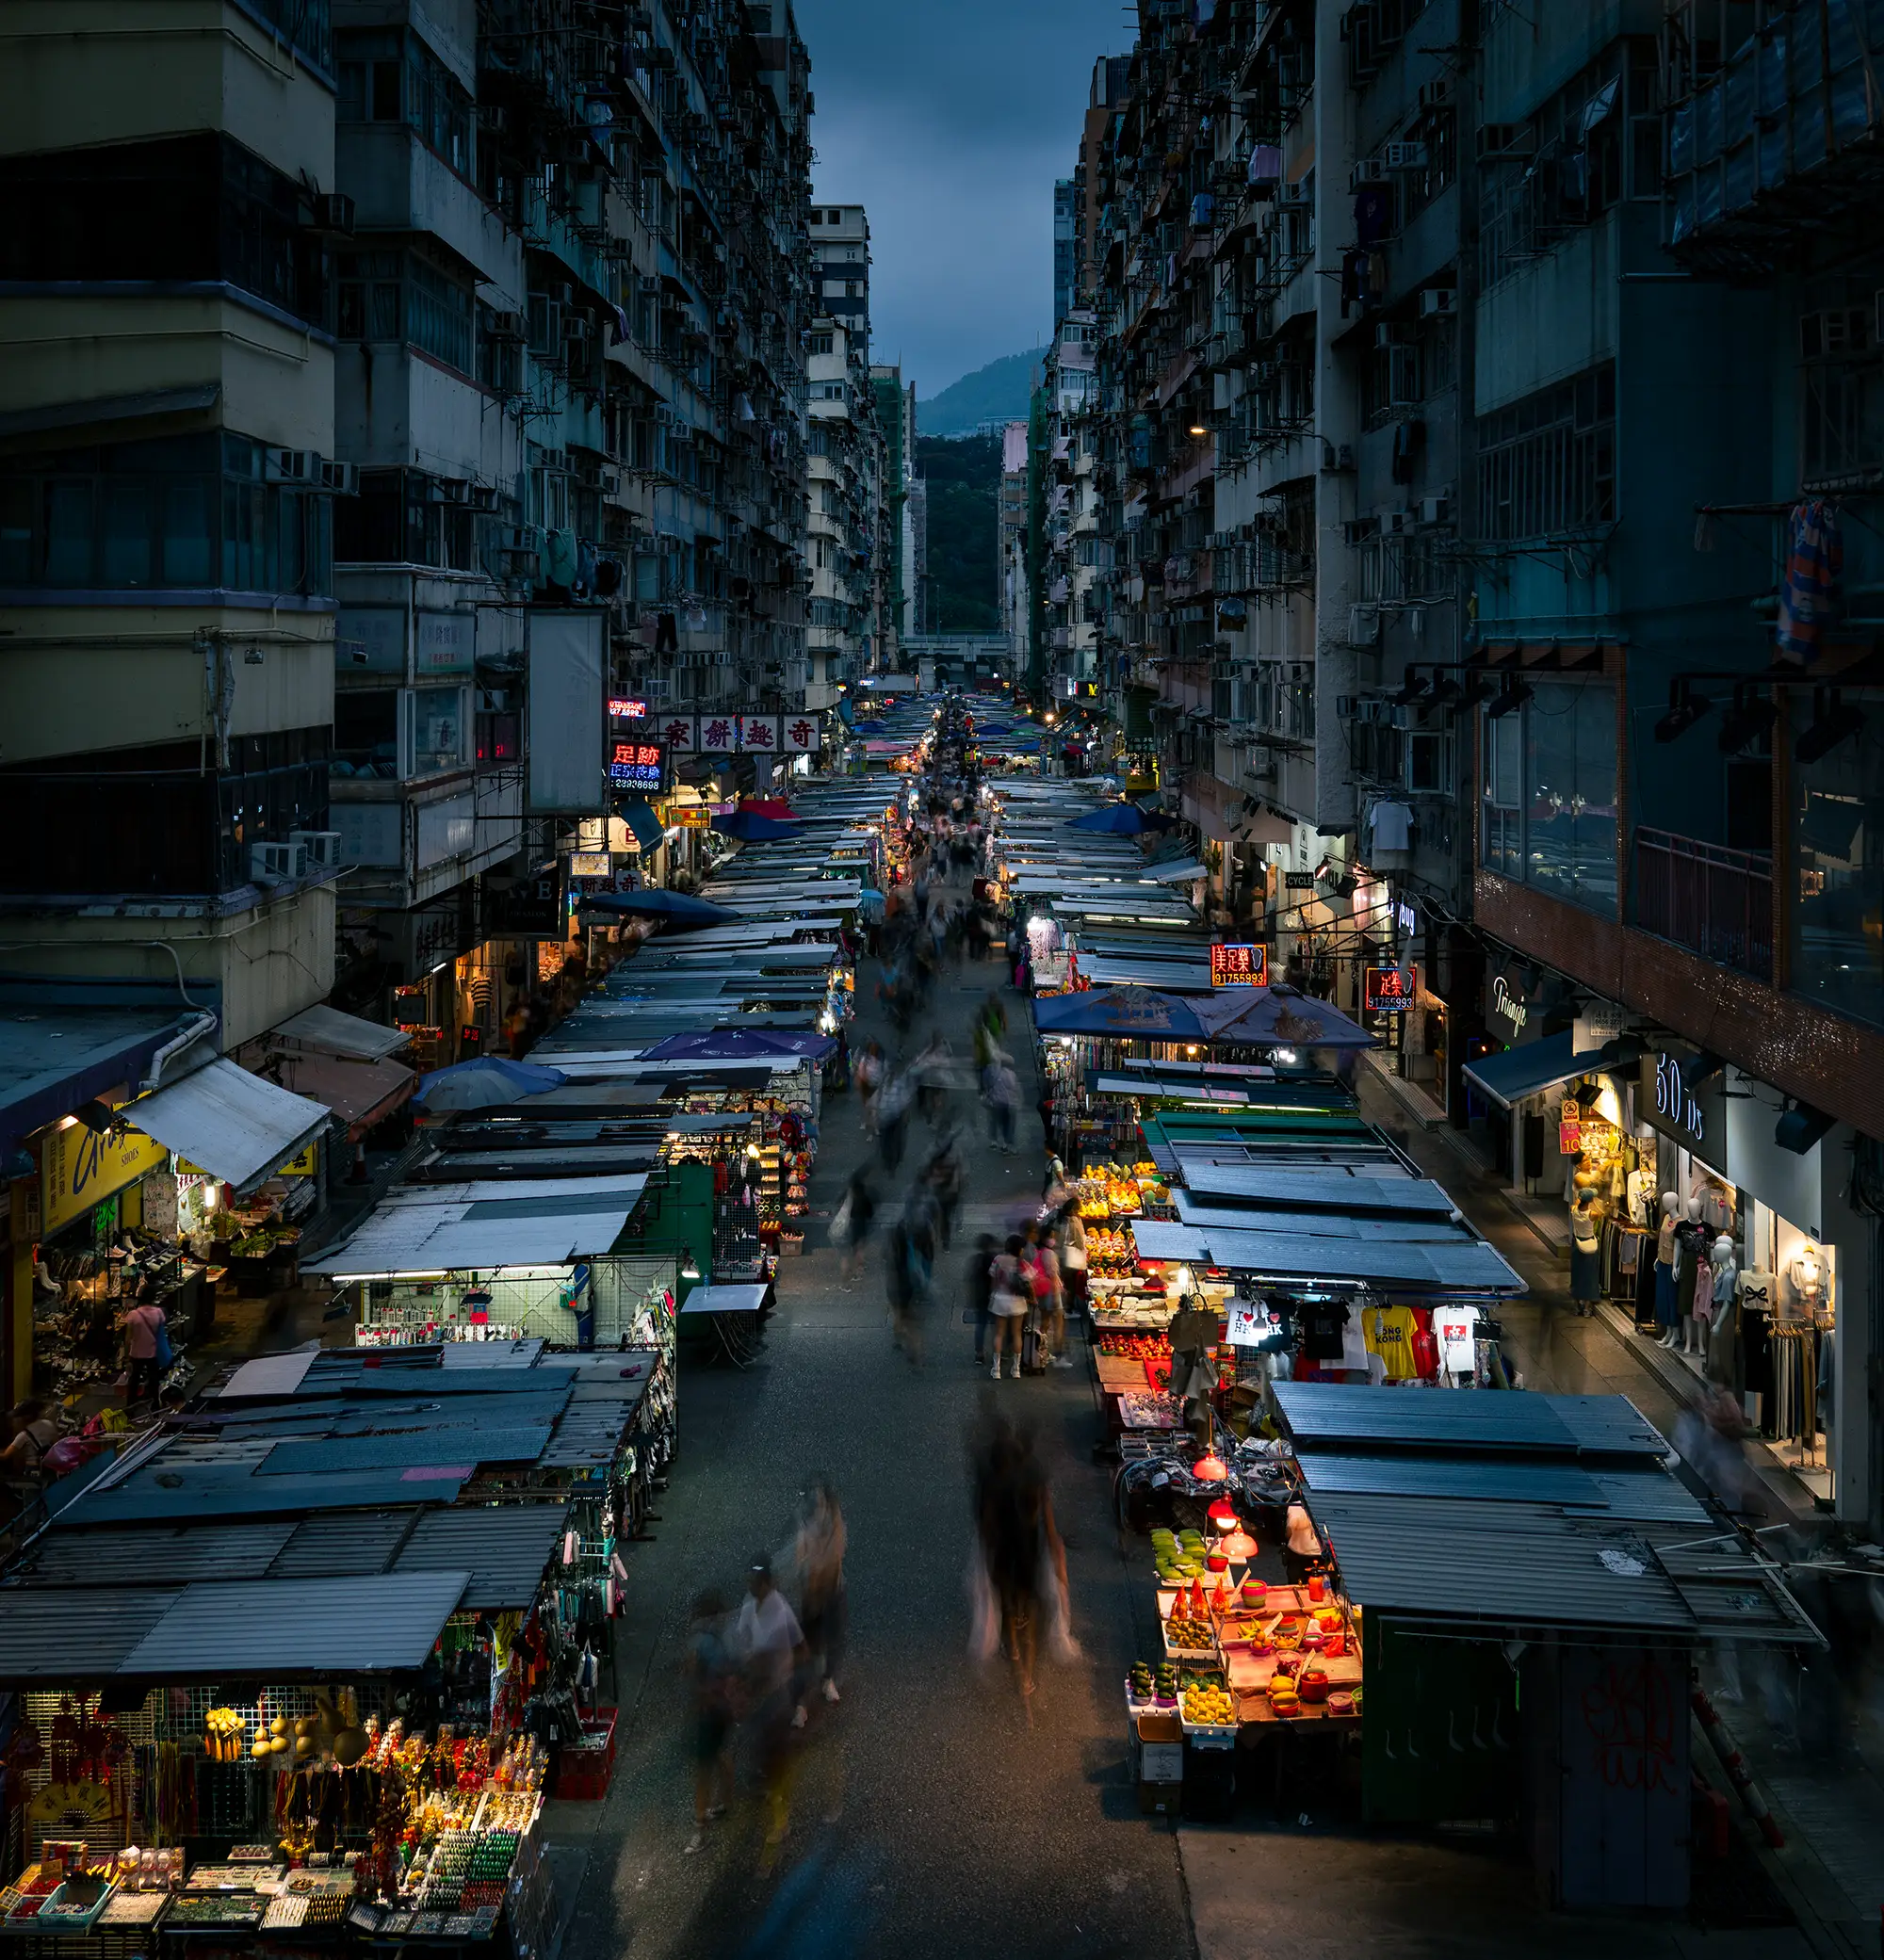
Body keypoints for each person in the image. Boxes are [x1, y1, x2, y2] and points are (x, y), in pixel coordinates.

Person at [736, 1556, 806, 1865]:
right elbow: (743, 1637)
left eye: (755, 1581)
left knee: (775, 1754)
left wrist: (786, 1674)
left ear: (766, 1584)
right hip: (758, 1691)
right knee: (761, 1745)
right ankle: (767, 1783)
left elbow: (800, 1648)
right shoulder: (750, 1604)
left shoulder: (781, 1614)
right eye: (749, 1580)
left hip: (776, 1693)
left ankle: (781, 1818)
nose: (750, 1586)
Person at [683, 1590, 737, 1855]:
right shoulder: (718, 1637)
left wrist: (700, 1701)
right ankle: (726, 1801)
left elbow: (696, 1675)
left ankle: (700, 1830)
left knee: (703, 1773)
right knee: (719, 1755)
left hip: (710, 1712)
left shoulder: (700, 1641)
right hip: (721, 1710)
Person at [794, 1485, 848, 1707]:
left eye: (823, 1503)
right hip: (813, 1596)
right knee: (809, 1645)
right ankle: (801, 1700)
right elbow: (802, 1565)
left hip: (833, 1592)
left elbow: (836, 1559)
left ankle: (827, 1680)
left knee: (835, 1639)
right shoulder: (805, 1531)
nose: (821, 1509)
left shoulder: (836, 1526)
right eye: (817, 1504)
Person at [986, 1236, 1032, 1381]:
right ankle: (1016, 1369)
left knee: (999, 1334)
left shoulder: (998, 1260)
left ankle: (996, 1369)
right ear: (1019, 1249)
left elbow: (993, 1279)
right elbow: (1030, 1281)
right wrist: (1033, 1297)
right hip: (1017, 1301)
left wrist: (992, 1294)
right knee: (1016, 1334)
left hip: (1000, 1299)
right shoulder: (1022, 1264)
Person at [120, 1290, 168, 1411]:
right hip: (153, 1353)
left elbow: (128, 1338)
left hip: (136, 1354)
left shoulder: (133, 1315)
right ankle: (155, 1407)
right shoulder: (158, 1313)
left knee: (133, 1382)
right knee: (154, 1381)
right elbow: (161, 1333)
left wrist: (126, 1357)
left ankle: (130, 1408)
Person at [0, 1400, 58, 1480]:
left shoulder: (23, 1435)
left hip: (33, 1473)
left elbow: (4, 1456)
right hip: (51, 1470)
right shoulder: (49, 1424)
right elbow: (57, 1445)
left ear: (26, 1417)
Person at [838, 1167, 877, 1285]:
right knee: (859, 1249)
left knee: (848, 1251)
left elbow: (839, 1206)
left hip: (848, 1226)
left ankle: (848, 1275)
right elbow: (870, 1213)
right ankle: (858, 1270)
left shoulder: (848, 1197)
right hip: (861, 1225)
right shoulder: (864, 1198)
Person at [966, 1231, 998, 1369]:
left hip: (980, 1297)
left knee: (980, 1325)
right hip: (993, 1296)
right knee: (997, 1326)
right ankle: (997, 1352)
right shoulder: (994, 1259)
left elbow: (971, 1279)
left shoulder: (976, 1260)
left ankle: (979, 1353)